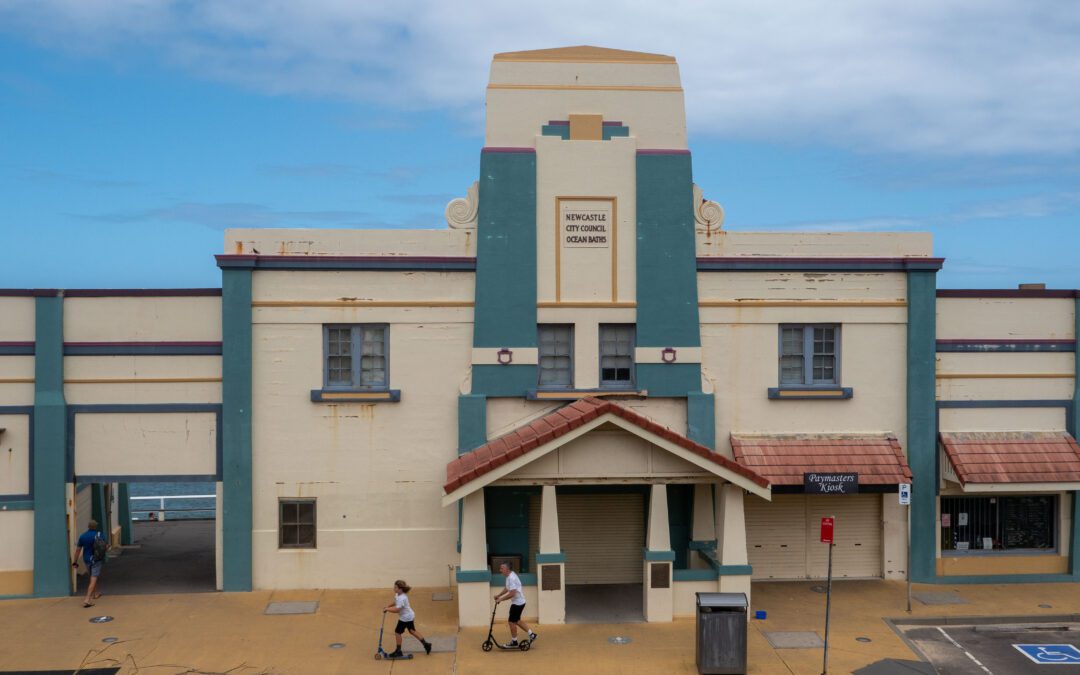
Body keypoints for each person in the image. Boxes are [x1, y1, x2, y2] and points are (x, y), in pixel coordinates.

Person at [383, 580, 432, 657]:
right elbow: (395, 602)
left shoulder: (402, 598)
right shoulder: (397, 595)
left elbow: (397, 609)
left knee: (397, 632)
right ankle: (426, 644)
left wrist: (387, 609)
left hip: (406, 617)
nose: (394, 588)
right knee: (412, 631)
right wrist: (388, 606)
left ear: (400, 589)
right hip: (409, 615)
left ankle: (398, 651)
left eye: (395, 587)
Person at [493, 562, 537, 647]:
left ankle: (514, 642)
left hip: (518, 603)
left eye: (502, 568)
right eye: (500, 568)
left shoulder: (512, 578)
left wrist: (501, 599)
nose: (500, 570)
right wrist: (499, 595)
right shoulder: (509, 576)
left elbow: (512, 593)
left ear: (507, 569)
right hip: (519, 602)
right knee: (516, 620)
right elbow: (507, 588)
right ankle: (532, 635)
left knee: (511, 622)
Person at [72, 519, 106, 608]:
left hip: (86, 559)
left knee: (91, 577)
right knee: (94, 578)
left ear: (88, 526)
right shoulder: (99, 534)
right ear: (95, 526)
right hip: (96, 559)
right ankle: (87, 599)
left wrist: (75, 562)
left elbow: (78, 550)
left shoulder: (83, 536)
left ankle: (95, 594)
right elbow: (105, 546)